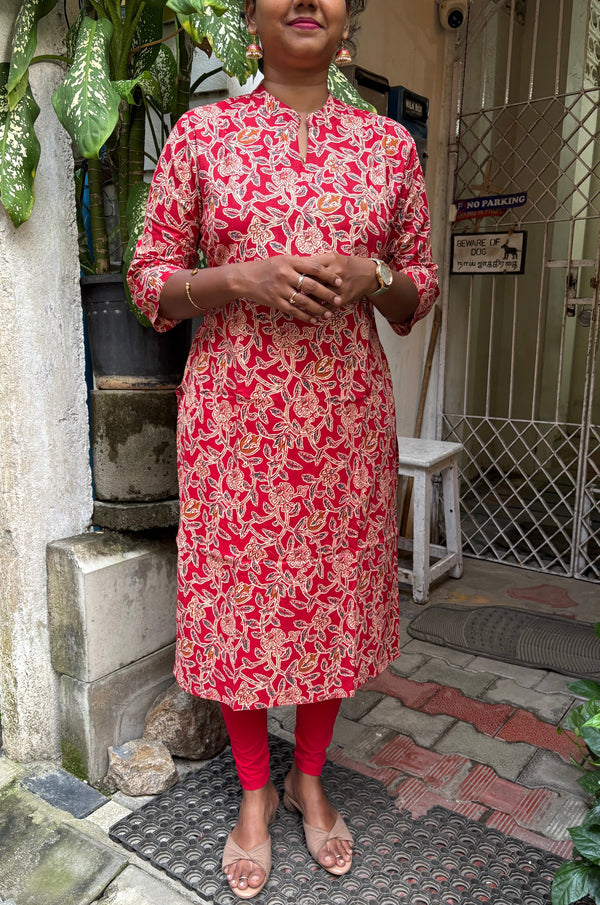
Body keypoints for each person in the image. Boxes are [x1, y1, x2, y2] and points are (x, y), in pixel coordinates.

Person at [128, 0, 439, 897]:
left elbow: (419, 290)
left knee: (333, 594)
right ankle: (255, 798)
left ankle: (311, 777)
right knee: (240, 600)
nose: (308, 0)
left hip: (342, 419)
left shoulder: (388, 149)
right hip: (236, 419)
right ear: (251, 20)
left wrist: (371, 275)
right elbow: (149, 280)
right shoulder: (203, 135)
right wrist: (237, 278)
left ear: (348, 24)